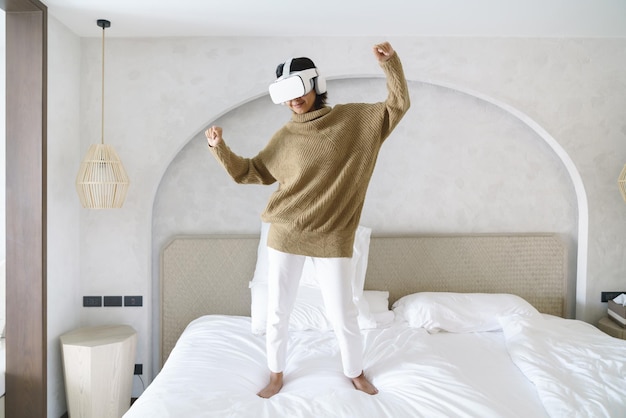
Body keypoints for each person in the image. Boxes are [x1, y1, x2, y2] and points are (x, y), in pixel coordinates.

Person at [205, 41, 410, 398]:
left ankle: (355, 371)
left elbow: (397, 105)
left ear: (316, 84)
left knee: (343, 312)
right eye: (284, 93)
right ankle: (275, 374)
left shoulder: (353, 121)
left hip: (333, 234)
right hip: (286, 231)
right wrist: (219, 148)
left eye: (298, 89)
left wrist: (390, 64)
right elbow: (250, 172)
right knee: (278, 311)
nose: (293, 99)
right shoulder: (285, 136)